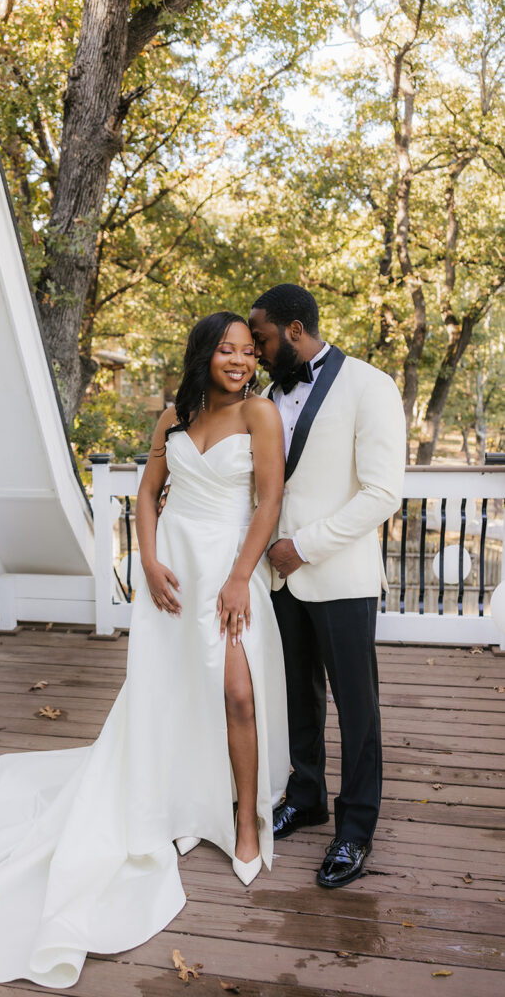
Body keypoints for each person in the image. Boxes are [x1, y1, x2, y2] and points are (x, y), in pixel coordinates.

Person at [0, 311, 290, 990]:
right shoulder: (171, 416)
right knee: (169, 693)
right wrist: (147, 564)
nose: (238, 361)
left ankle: (244, 820)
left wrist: (241, 576)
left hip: (227, 569)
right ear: (203, 356)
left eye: (246, 351)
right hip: (174, 570)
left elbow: (267, 503)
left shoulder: (260, 415)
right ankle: (180, 801)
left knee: (236, 695)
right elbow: (148, 497)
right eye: (225, 350)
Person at [249, 284, 406, 889]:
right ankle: (306, 795)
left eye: (261, 338)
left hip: (338, 576)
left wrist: (303, 546)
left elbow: (381, 493)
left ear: (293, 330)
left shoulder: (371, 385)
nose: (257, 352)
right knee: (297, 698)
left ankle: (356, 829)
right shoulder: (267, 394)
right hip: (279, 580)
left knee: (357, 709)